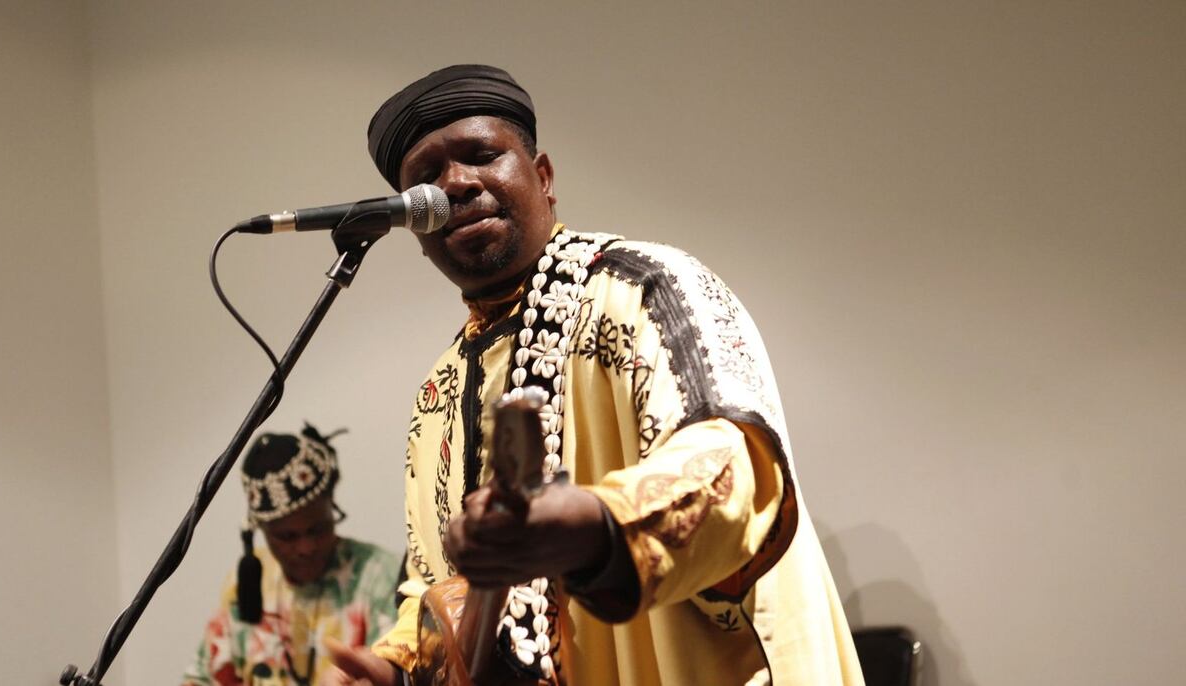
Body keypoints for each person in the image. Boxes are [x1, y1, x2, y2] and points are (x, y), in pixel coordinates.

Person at [324, 65, 863, 686]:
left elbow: (732, 464)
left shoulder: (648, 287)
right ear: (417, 226)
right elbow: (434, 584)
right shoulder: (437, 395)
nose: (458, 184)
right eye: (425, 178)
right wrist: (395, 668)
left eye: (482, 155)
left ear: (544, 177)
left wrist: (594, 524)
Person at [183, 424, 401, 686]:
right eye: (287, 537)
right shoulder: (246, 586)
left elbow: (398, 671)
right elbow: (202, 679)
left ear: (331, 509)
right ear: (261, 529)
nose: (306, 547)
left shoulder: (379, 574)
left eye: (318, 529)